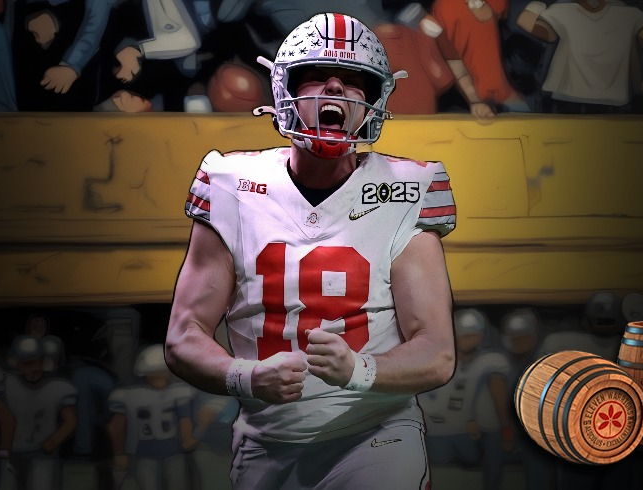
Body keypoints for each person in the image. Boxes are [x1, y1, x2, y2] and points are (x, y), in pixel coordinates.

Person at [165, 12, 458, 489]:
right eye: (317, 77)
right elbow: (183, 336)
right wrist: (247, 376)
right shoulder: (231, 183)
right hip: (265, 443)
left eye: (354, 82)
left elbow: (437, 352)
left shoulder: (408, 187)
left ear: (374, 102)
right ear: (285, 93)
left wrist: (361, 370)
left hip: (375, 436)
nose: (335, 89)